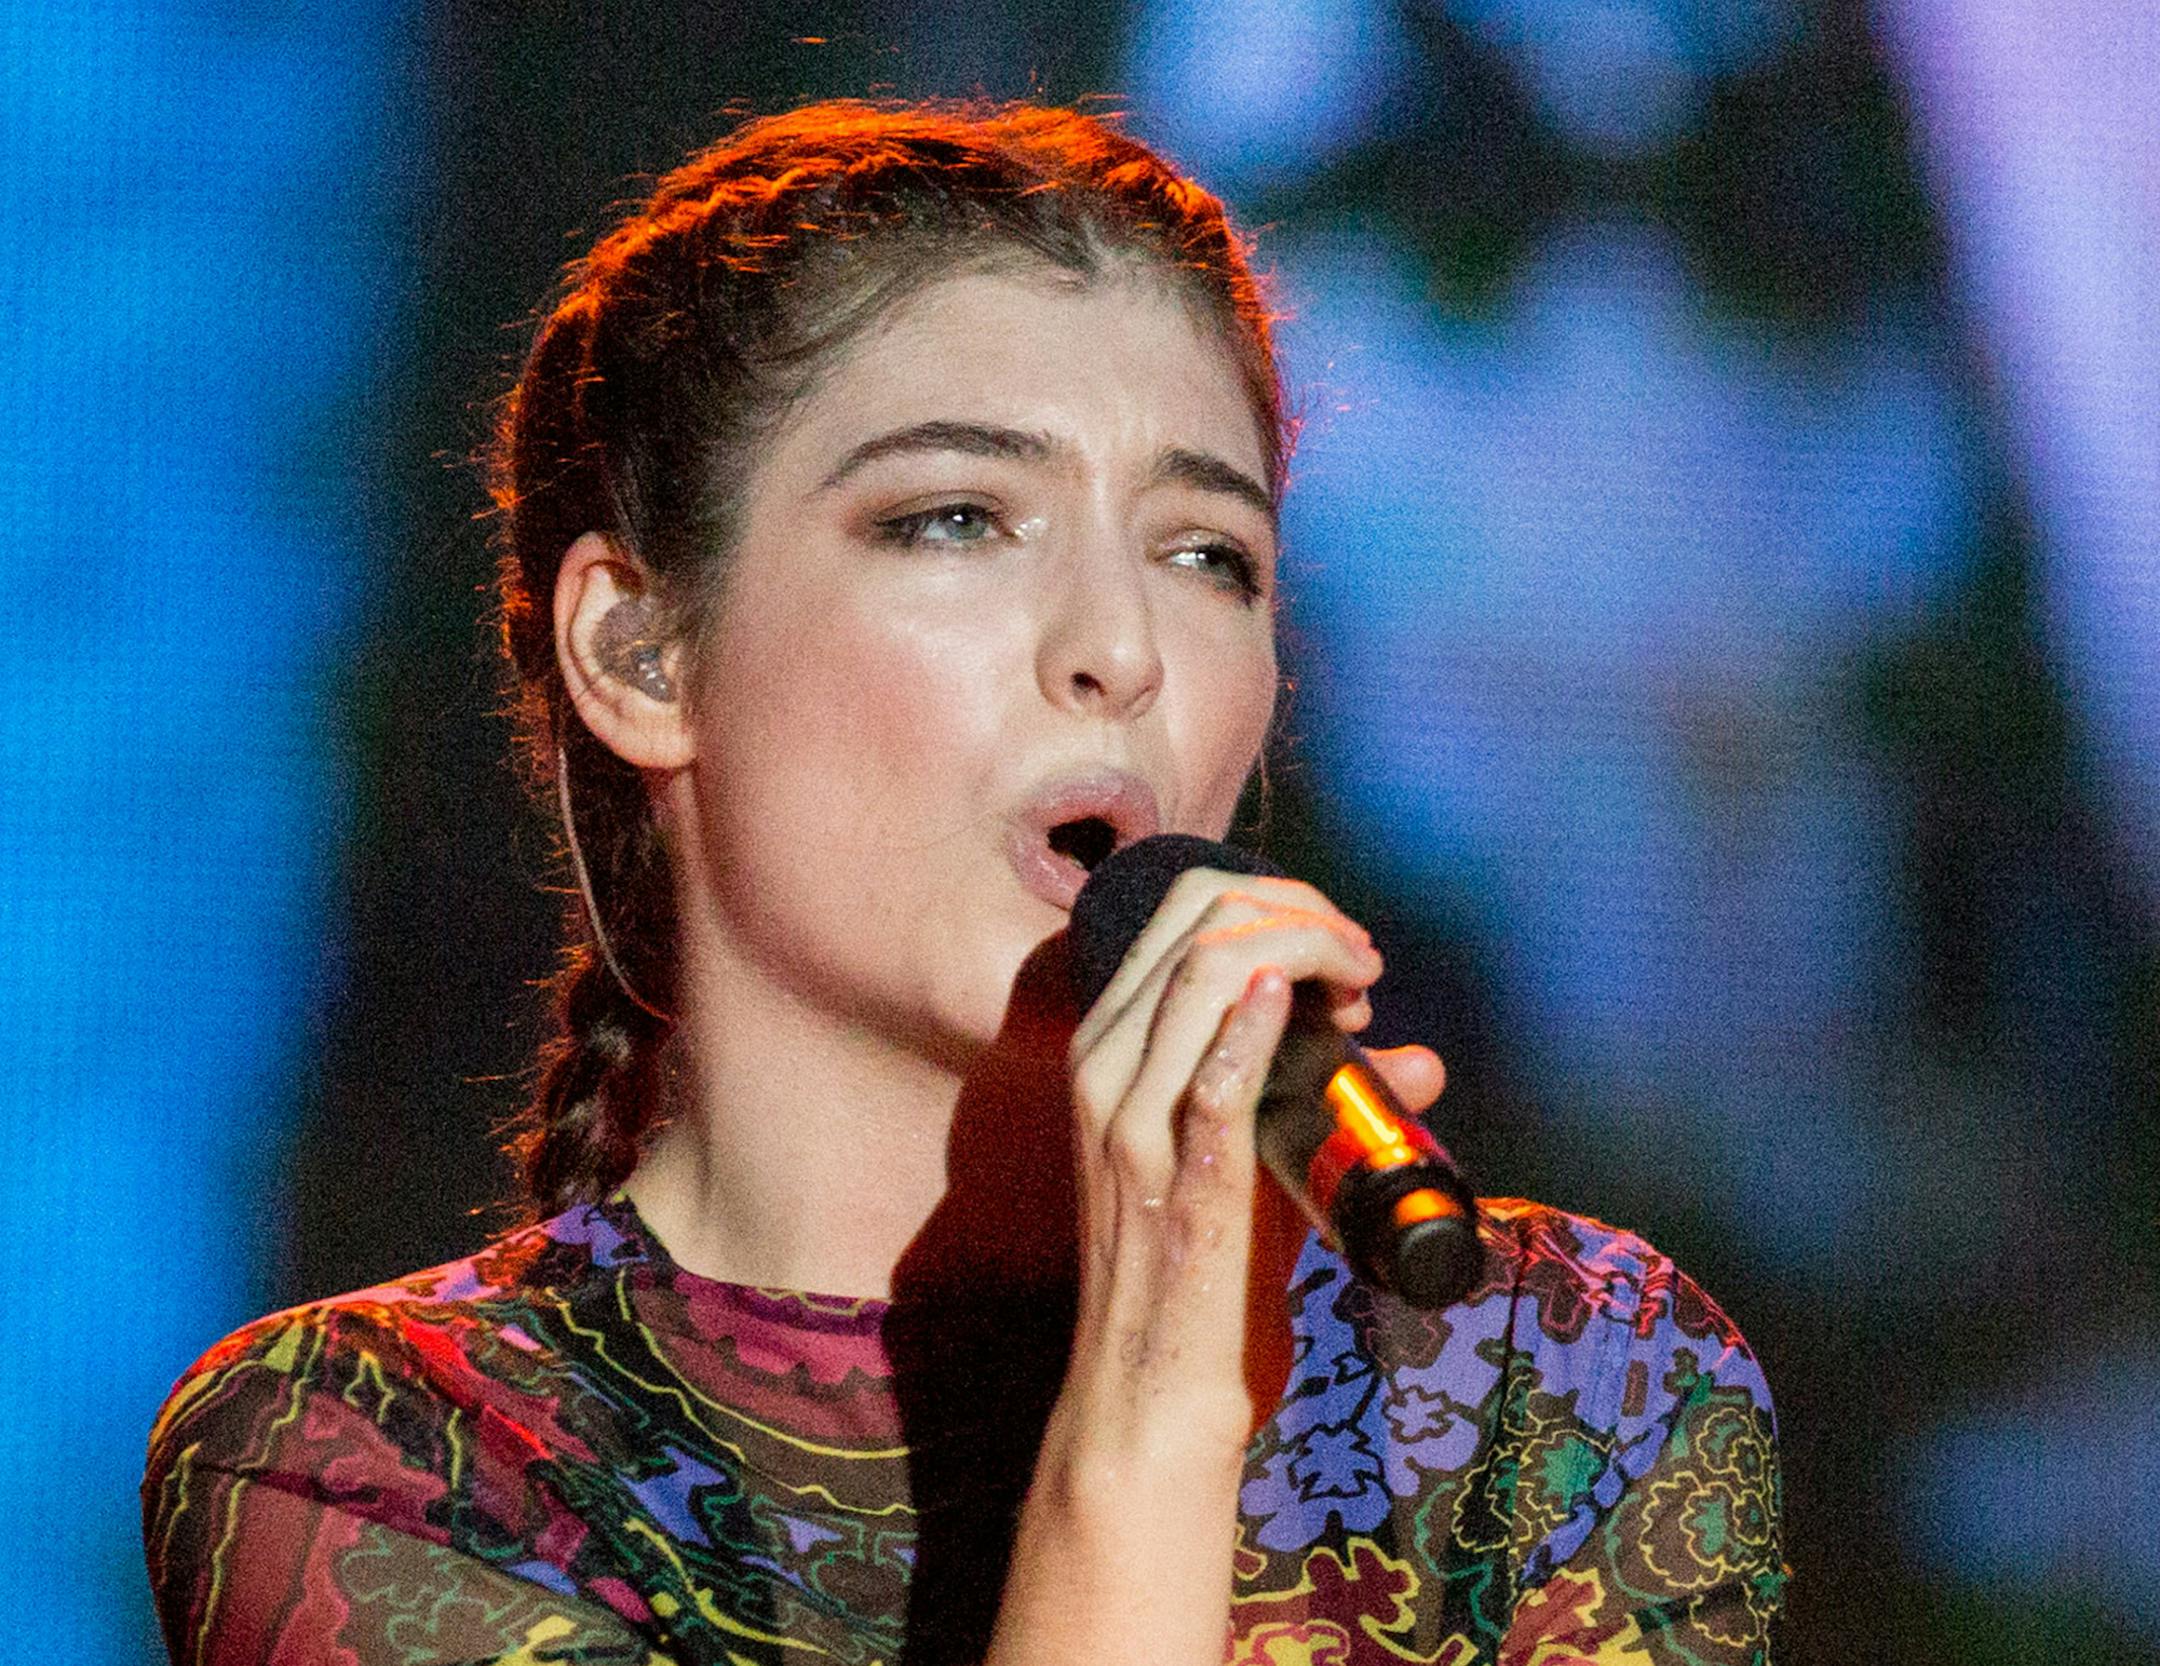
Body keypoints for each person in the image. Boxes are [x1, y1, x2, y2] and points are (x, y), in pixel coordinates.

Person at [142, 99, 1785, 1665]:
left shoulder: (1562, 1388)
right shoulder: (376, 1456)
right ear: (639, 651)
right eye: (956, 519)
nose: (1122, 650)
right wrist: (1150, 1411)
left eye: (1207, 555)